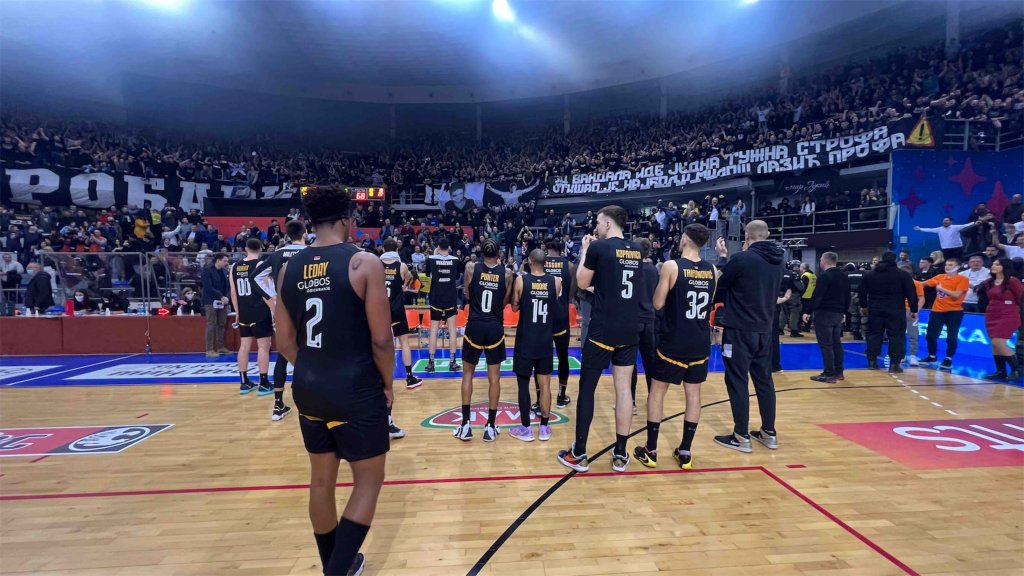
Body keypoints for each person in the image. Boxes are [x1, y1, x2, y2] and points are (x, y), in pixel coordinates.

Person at [274, 185, 394, 576]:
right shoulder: (363, 262)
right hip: (354, 388)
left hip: (309, 387)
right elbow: (381, 339)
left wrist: (316, 367)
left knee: (321, 482)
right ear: (347, 218)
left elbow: (284, 342)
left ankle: (335, 563)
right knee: (368, 481)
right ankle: (336, 571)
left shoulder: (288, 269)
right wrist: (388, 384)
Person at [557, 205, 642, 473]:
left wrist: (585, 250)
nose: (595, 227)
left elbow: (582, 282)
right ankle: (620, 454)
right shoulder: (637, 250)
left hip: (603, 329)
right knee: (624, 390)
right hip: (629, 328)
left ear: (607, 224)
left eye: (598, 222)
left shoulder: (598, 248)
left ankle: (579, 453)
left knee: (587, 389)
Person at [633, 224, 716, 470]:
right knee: (694, 395)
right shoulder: (712, 269)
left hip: (674, 339)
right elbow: (709, 303)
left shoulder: (672, 266)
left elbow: (658, 303)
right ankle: (685, 452)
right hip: (700, 340)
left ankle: (651, 450)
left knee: (657, 392)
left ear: (685, 240)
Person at [711, 220, 784, 453]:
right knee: (764, 381)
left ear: (746, 236)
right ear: (767, 235)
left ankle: (741, 436)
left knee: (737, 380)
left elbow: (719, 287)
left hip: (740, 330)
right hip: (765, 329)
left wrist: (723, 258)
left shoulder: (742, 259)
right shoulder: (779, 259)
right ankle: (769, 433)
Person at [453, 238, 512, 442]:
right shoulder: (507, 273)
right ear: (499, 254)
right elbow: (505, 301)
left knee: (467, 375)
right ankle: (490, 426)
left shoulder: (471, 268)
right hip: (494, 326)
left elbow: (468, 295)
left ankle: (465, 425)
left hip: (474, 325)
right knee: (494, 378)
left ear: (482, 253)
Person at [252, 219, 308, 422]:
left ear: (287, 235)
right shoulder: (310, 252)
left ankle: (278, 404)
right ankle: (311, 400)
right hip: (307, 309)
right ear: (305, 234)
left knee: (283, 355)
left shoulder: (277, 254)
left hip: (284, 311)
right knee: (312, 354)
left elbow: (255, 277)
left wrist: (273, 297)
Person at [509, 249, 562, 443]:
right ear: (545, 262)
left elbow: (514, 307)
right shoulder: (555, 282)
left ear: (530, 261)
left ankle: (526, 429)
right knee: (545, 384)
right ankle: (544, 428)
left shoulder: (521, 281)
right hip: (545, 339)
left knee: (523, 384)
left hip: (526, 340)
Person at [860, 251, 919, 372]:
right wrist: (914, 309)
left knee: (874, 335)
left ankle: (872, 362)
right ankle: (894, 365)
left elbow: (862, 292)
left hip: (875, 309)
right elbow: (911, 294)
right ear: (895, 260)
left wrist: (864, 306)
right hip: (896, 309)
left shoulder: (870, 274)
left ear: (881, 259)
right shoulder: (903, 275)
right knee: (897, 336)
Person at [379, 238, 424, 392]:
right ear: (397, 250)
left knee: (380, 344)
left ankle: (379, 378)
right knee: (404, 342)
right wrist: (403, 285)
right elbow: (410, 280)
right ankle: (410, 377)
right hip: (397, 309)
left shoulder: (377, 264)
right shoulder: (402, 266)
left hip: (380, 309)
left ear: (383, 249)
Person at [230, 238, 273, 395]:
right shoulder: (260, 265)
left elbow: (233, 293)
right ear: (260, 249)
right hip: (260, 311)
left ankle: (244, 382)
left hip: (244, 312)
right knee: (263, 346)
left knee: (244, 346)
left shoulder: (234, 266)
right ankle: (264, 383)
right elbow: (265, 291)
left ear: (246, 249)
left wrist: (237, 312)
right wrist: (274, 310)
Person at [802, 252, 850, 384]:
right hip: (838, 313)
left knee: (826, 344)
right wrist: (844, 312)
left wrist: (808, 311)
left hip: (824, 313)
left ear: (824, 261)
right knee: (836, 343)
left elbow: (817, 296)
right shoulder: (844, 276)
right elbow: (848, 296)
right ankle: (839, 372)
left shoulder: (824, 276)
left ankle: (829, 374)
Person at [542, 240, 575, 409]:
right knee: (563, 357)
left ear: (547, 249)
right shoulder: (569, 265)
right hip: (561, 316)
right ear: (561, 250)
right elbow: (571, 294)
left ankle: (541, 398)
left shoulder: (540, 262)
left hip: (543, 317)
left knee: (542, 358)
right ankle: (561, 396)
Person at [629, 238, 659, 415]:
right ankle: (652, 399)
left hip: (632, 319)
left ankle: (631, 402)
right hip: (650, 319)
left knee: (629, 362)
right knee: (650, 363)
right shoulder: (654, 270)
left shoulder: (631, 267)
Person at [923, 258, 969, 370]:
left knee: (951, 337)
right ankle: (932, 356)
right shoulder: (940, 277)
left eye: (950, 265)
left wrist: (941, 289)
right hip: (937, 310)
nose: (947, 266)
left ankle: (948, 358)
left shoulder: (963, 279)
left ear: (958, 267)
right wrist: (908, 281)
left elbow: (956, 294)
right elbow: (923, 284)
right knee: (930, 335)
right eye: (946, 264)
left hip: (954, 311)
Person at [982, 258, 1023, 379]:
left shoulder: (1012, 281)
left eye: (997, 264)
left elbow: (1021, 297)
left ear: (1004, 267)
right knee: (994, 344)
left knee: (998, 342)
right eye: (993, 264)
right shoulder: (989, 281)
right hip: (992, 314)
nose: (993, 266)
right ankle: (1001, 371)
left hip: (1008, 314)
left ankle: (1017, 370)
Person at [424, 238, 460, 374]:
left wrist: (435, 254)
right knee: (452, 330)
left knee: (433, 330)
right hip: (450, 297)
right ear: (449, 247)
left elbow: (427, 275)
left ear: (438, 247)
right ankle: (452, 362)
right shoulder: (455, 260)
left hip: (436, 297)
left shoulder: (431, 259)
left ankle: (431, 363)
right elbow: (457, 277)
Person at [914, 217, 985, 262]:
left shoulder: (955, 227)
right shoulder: (939, 229)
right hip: (946, 249)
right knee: (948, 262)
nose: (945, 221)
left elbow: (965, 225)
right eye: (944, 220)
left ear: (951, 222)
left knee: (958, 261)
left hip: (957, 249)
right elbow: (930, 230)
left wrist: (975, 223)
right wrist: (920, 229)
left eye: (947, 220)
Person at [202, 253, 231, 358]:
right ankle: (209, 349)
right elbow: (208, 287)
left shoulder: (225, 271)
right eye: (225, 261)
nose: (226, 263)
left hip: (223, 301)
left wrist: (226, 297)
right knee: (211, 324)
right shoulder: (207, 270)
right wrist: (221, 296)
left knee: (222, 324)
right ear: (218, 260)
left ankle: (220, 346)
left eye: (227, 261)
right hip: (211, 301)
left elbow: (228, 286)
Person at [897, 263, 926, 367]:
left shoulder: (917, 284)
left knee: (913, 334)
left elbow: (921, 298)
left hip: (911, 311)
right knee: (899, 334)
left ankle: (913, 355)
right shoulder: (896, 283)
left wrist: (916, 310)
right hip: (898, 311)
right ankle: (902, 354)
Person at [779, 261, 804, 337]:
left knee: (783, 312)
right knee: (794, 312)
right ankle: (794, 331)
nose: (798, 268)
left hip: (782, 295)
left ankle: (780, 329)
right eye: (797, 266)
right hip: (793, 295)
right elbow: (800, 287)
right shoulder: (794, 274)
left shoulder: (782, 272)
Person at [798, 262, 816, 332]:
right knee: (809, 313)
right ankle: (807, 327)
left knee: (801, 312)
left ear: (803, 268)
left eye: (800, 267)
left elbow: (802, 287)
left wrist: (799, 295)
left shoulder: (805, 275)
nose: (799, 268)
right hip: (812, 296)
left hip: (804, 296)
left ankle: (799, 327)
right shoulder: (813, 275)